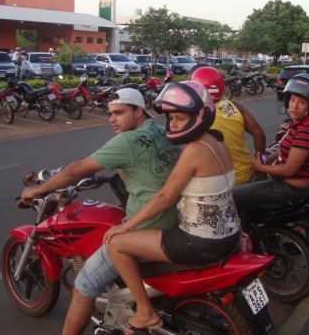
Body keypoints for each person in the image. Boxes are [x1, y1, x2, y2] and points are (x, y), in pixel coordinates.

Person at [20, 88, 181, 335]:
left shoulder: (128, 140)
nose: (112, 119)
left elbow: (76, 170)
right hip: (176, 221)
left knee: (85, 282)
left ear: (138, 112)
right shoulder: (164, 131)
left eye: (119, 112)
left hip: (147, 228)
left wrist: (36, 190)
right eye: (110, 113)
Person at [103, 81, 241, 334]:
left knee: (115, 244)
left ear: (199, 116)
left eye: (180, 118)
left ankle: (145, 312)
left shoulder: (195, 150)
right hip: (230, 235)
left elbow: (165, 197)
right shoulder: (218, 142)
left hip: (199, 242)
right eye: (172, 118)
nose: (174, 124)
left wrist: (126, 226)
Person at [232, 74, 309, 217]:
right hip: (297, 186)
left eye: (301, 102)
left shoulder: (306, 130)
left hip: (289, 189)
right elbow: (294, 151)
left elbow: (289, 170)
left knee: (232, 196)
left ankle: (244, 237)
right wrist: (274, 155)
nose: (294, 106)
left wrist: (259, 167)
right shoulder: (303, 124)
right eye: (292, 100)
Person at [189, 66, 266, 184]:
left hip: (220, 185)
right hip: (247, 176)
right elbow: (259, 135)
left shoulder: (194, 115)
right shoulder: (234, 105)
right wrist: (261, 161)